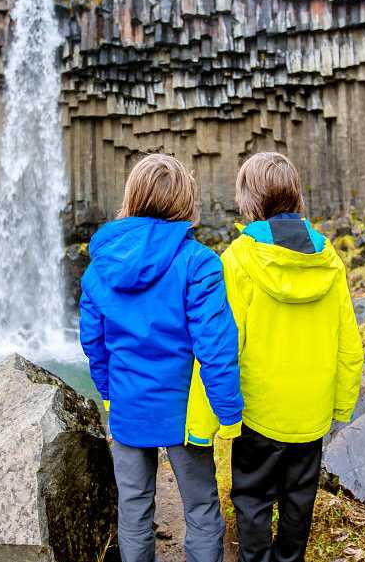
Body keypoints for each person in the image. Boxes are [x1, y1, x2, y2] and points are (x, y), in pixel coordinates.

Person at [79, 153, 244, 562]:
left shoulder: (100, 266)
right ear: (184, 200)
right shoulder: (200, 263)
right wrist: (228, 412)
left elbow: (93, 343)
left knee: (134, 510)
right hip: (185, 412)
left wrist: (109, 394)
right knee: (201, 508)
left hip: (129, 404)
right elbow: (215, 345)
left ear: (131, 196)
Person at [221, 152, 364, 562]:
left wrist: (215, 413)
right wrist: (342, 404)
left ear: (248, 200)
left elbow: (225, 344)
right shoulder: (329, 258)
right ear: (296, 195)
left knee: (251, 497)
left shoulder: (239, 259)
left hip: (259, 411)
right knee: (299, 499)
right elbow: (348, 343)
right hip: (312, 411)